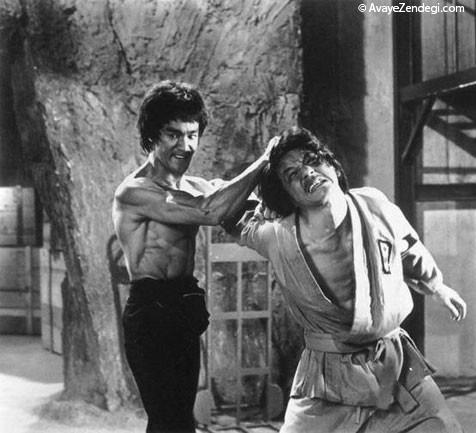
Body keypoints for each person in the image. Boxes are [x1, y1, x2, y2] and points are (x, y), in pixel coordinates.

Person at [237, 126, 467, 433]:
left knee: (444, 428)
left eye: (312, 160)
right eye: (292, 174)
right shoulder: (278, 237)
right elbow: (226, 213)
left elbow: (408, 250)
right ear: (288, 194)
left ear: (332, 165)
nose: (308, 173)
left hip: (394, 364)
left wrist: (437, 286)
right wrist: (262, 167)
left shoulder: (374, 205)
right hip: (326, 378)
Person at [112, 80, 274, 433]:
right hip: (149, 311)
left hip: (184, 304)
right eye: (173, 134)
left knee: (181, 419)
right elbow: (210, 210)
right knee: (167, 420)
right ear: (152, 135)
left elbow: (242, 203)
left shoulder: (196, 187)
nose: (185, 146)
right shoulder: (135, 191)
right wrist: (265, 161)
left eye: (192, 135)